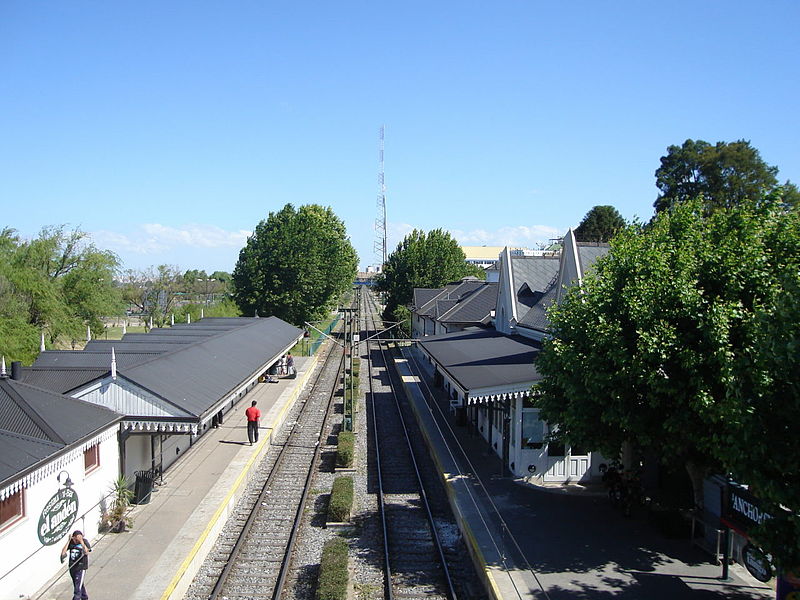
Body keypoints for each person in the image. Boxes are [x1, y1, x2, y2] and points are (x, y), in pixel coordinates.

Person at [61, 530, 91, 600]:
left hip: (81, 567)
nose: (76, 541)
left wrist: (81, 541)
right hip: (72, 567)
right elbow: (63, 553)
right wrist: (68, 541)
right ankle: (84, 597)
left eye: (77, 539)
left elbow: (86, 552)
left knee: (77, 588)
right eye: (75, 539)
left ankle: (77, 598)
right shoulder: (71, 542)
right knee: (78, 584)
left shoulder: (84, 541)